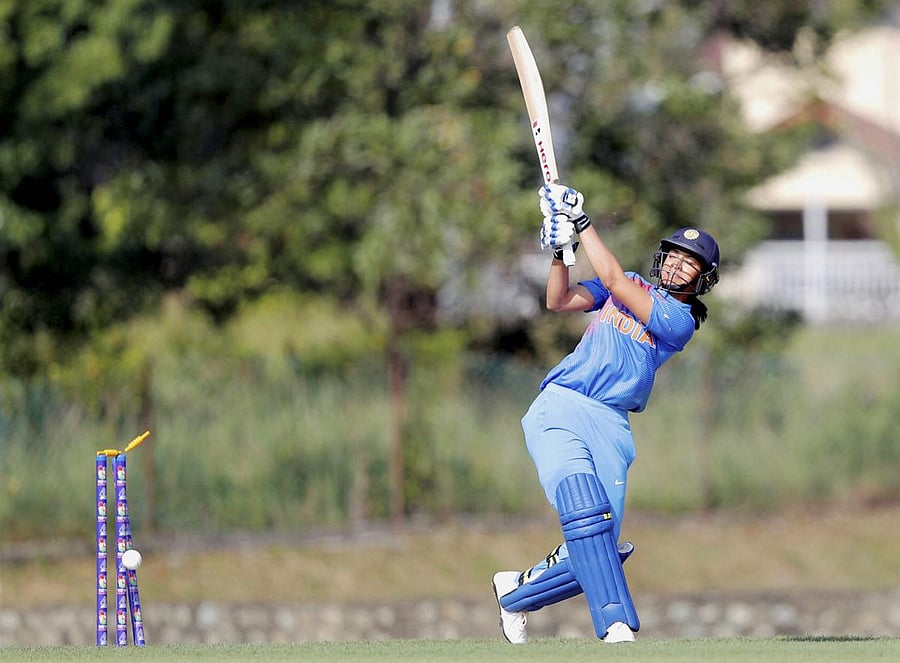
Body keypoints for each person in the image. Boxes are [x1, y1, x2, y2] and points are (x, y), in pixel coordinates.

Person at [491, 183, 720, 644]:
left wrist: (582, 222)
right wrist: (562, 253)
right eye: (674, 256)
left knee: (597, 548)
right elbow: (559, 300)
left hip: (612, 424)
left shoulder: (680, 321)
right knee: (585, 514)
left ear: (702, 278)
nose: (677, 265)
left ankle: (513, 593)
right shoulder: (632, 282)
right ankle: (616, 627)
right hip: (563, 404)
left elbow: (613, 281)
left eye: (689, 262)